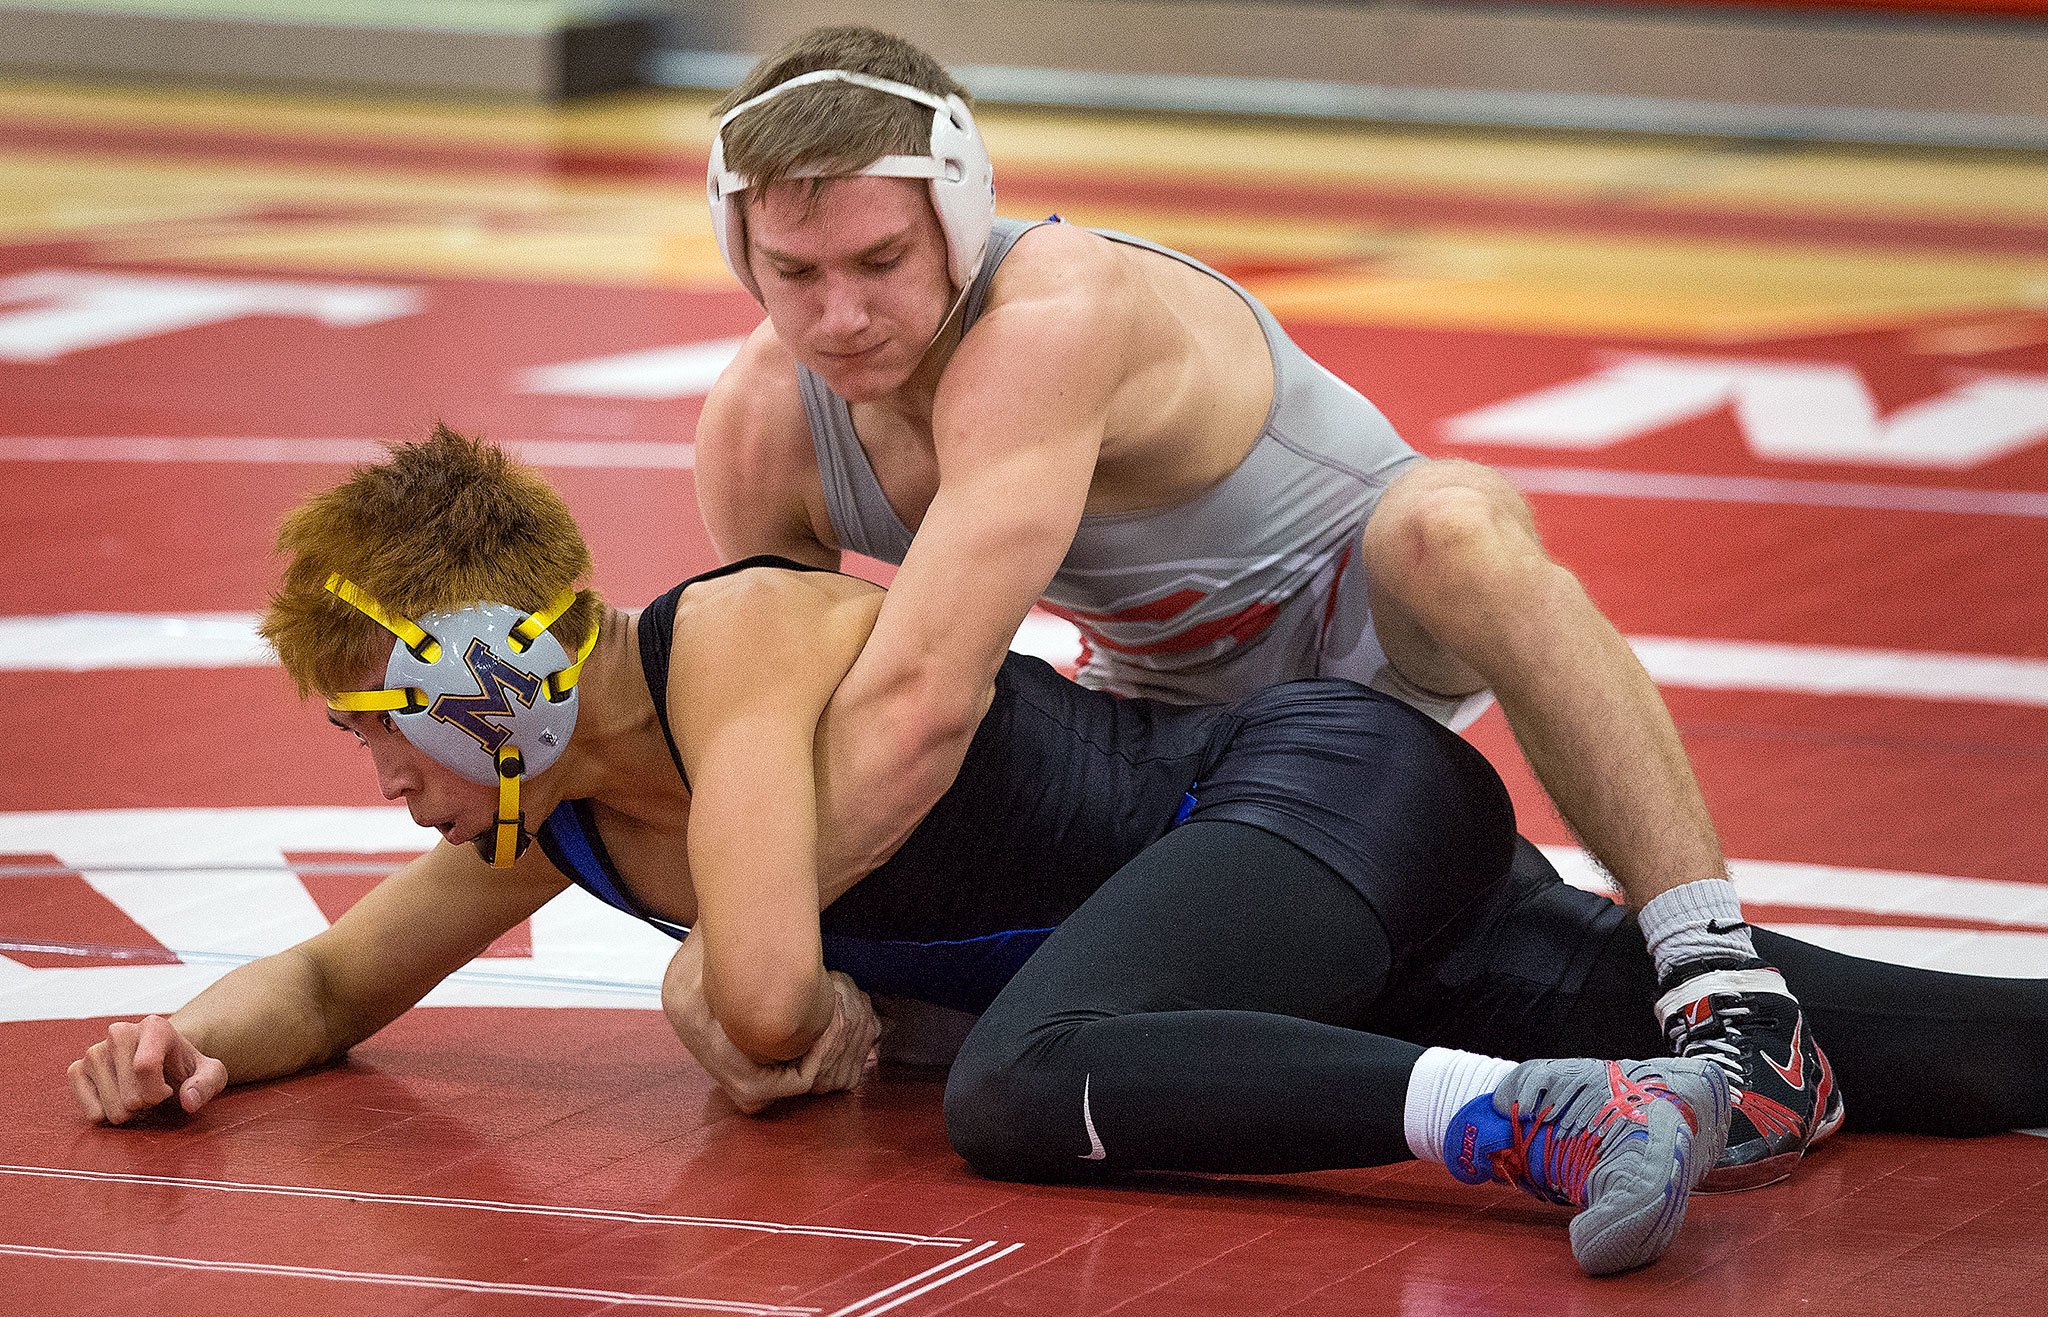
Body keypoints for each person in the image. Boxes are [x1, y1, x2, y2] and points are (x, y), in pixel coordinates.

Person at [65, 432, 2048, 1277]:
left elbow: (759, 995)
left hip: (1302, 799)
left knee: (1023, 1069)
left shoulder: (736, 638)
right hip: (1302, 926)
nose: (369, 786)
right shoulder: (572, 803)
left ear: (485, 685)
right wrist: (190, 1035)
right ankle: (1634, 1073)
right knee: (1920, 1045)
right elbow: (331, 980)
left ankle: (1535, 1118)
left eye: (368, 731)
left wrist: (718, 992)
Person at [692, 26, 1831, 1190]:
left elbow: (920, 698)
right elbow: (781, 731)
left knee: (1451, 529)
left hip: (1367, 621)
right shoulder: (757, 427)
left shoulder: (1048, 315)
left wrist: (726, 951)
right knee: (912, 1016)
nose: (838, 317)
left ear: (957, 216)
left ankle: (1722, 984)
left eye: (878, 261)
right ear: (744, 259)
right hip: (1169, 716)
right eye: (795, 272)